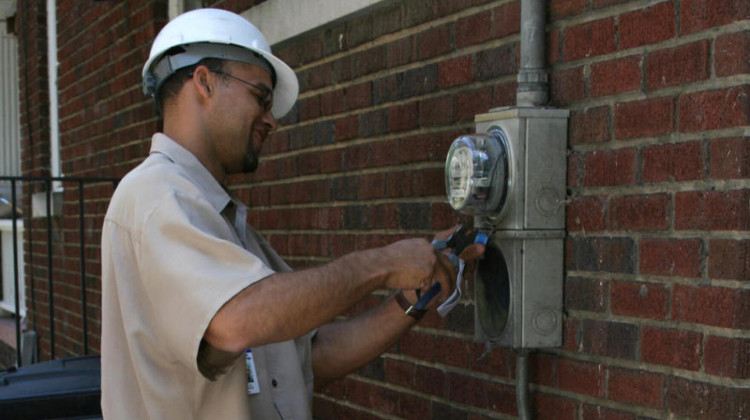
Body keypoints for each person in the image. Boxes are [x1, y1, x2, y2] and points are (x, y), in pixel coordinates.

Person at [100, 8, 484, 420]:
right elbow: (236, 320)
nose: (270, 120)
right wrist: (383, 264)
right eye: (261, 98)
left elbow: (308, 354)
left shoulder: (216, 217)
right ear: (204, 82)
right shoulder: (156, 195)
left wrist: (416, 295)